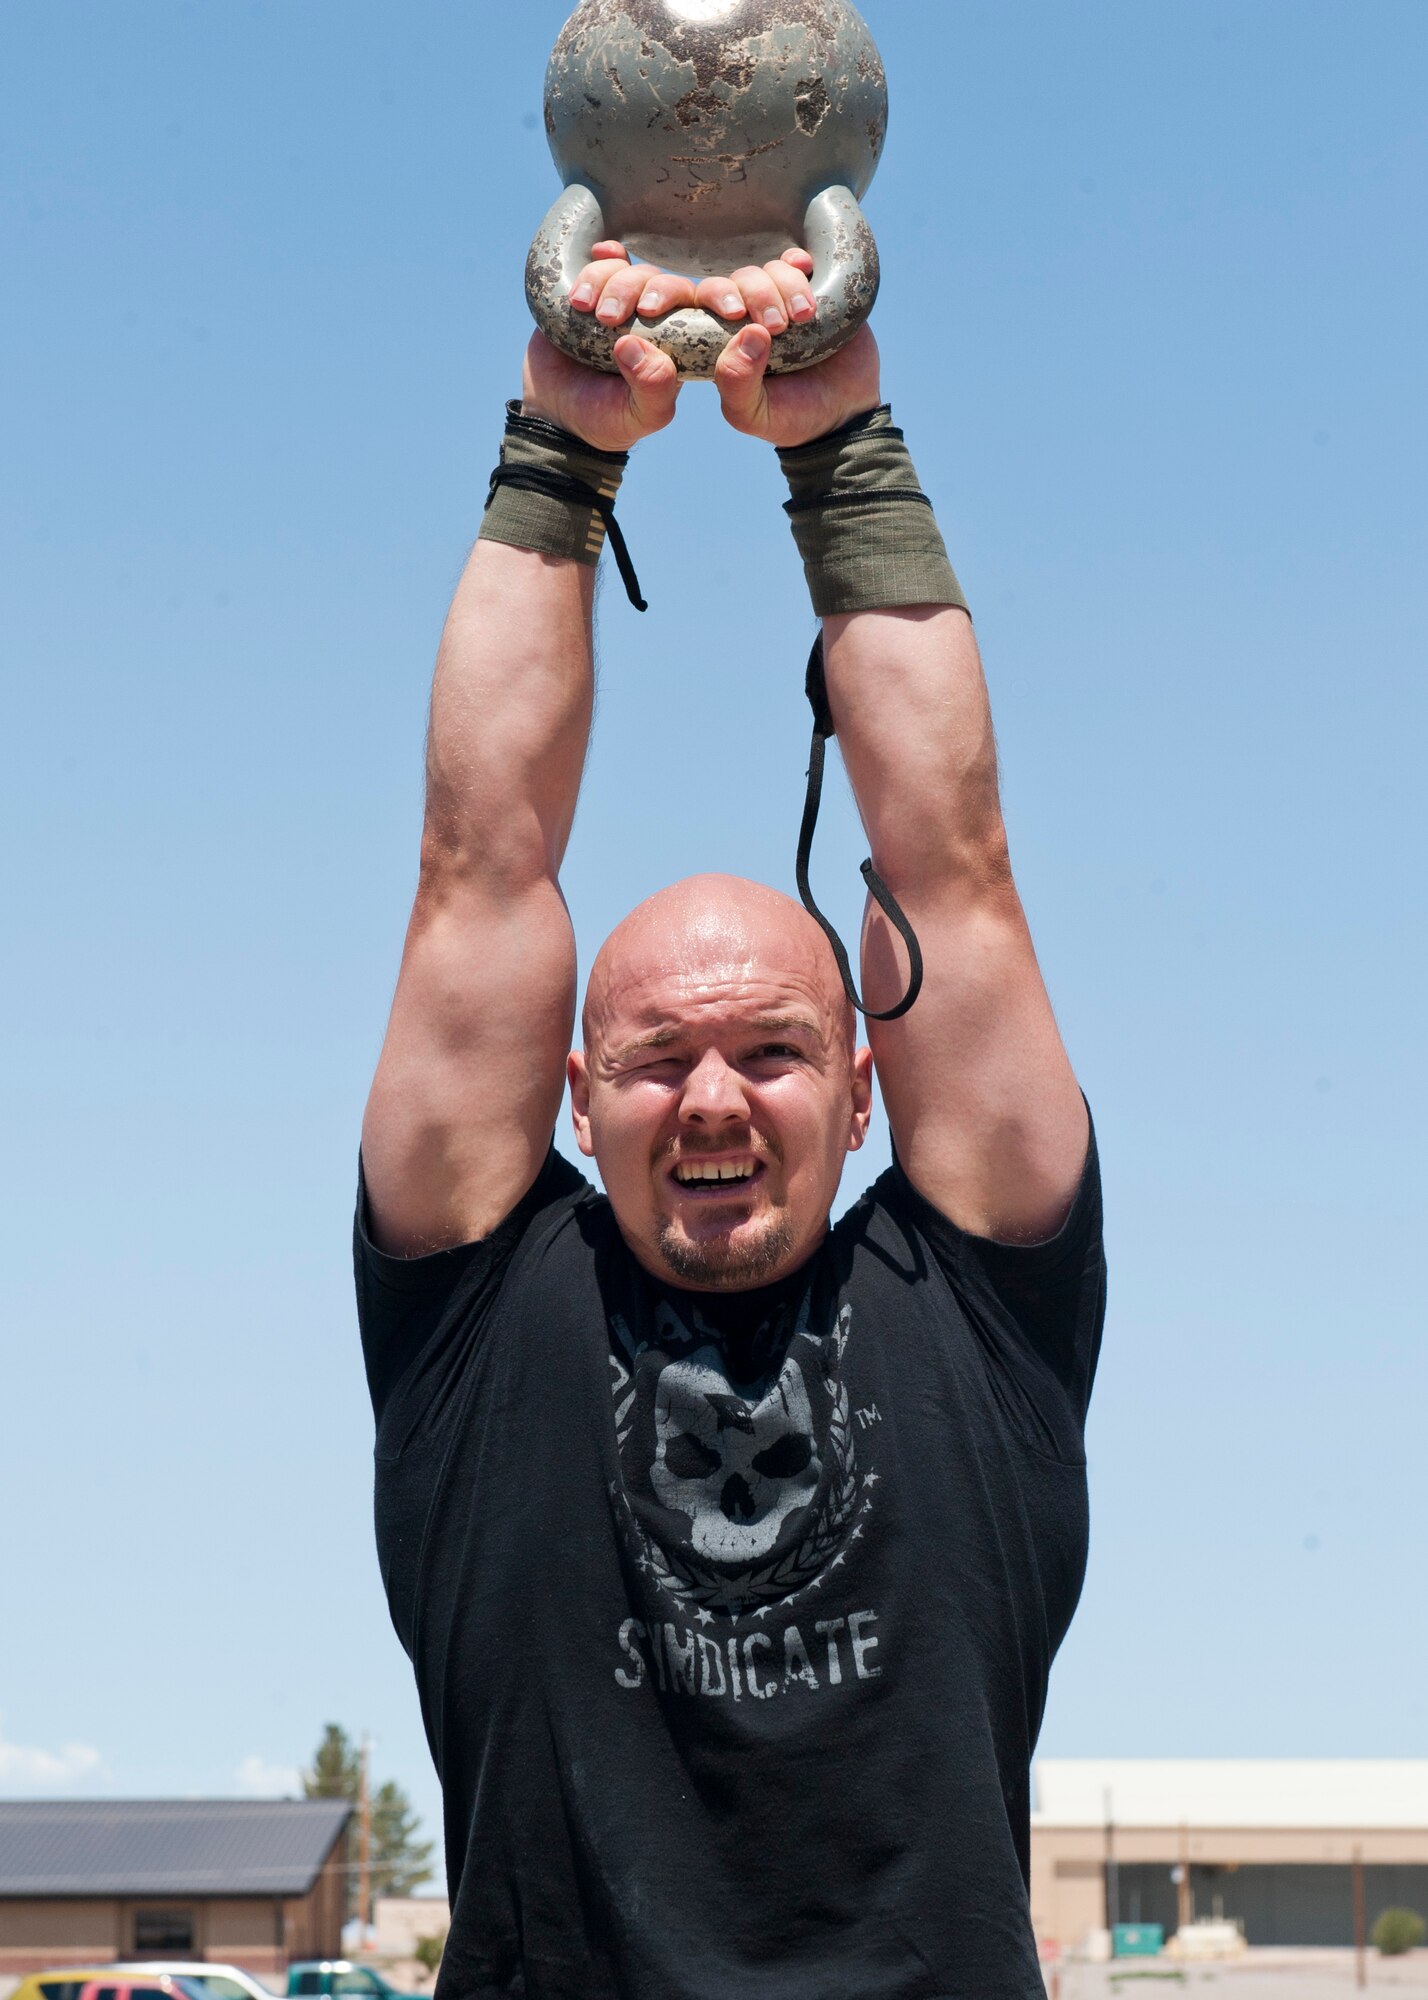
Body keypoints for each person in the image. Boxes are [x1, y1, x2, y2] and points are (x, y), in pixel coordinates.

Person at [356, 243, 1105, 2000]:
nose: (708, 1095)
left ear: (865, 1091)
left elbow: (954, 870)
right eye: (654, 1058)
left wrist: (841, 446)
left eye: (771, 1052)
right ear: (573, 1093)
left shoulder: (974, 1313)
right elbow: (482, 867)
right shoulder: (481, 1316)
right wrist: (560, 448)